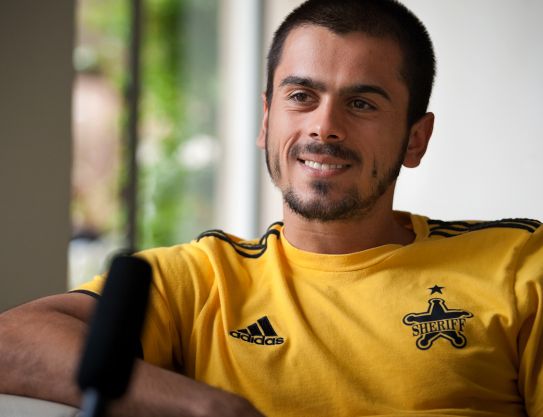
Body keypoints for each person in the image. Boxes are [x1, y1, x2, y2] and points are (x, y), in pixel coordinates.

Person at [1, 0, 542, 416]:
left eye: (361, 103)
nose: (324, 127)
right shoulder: (201, 281)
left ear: (415, 139)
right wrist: (210, 407)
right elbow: (11, 341)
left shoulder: (518, 263)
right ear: (266, 121)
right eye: (301, 97)